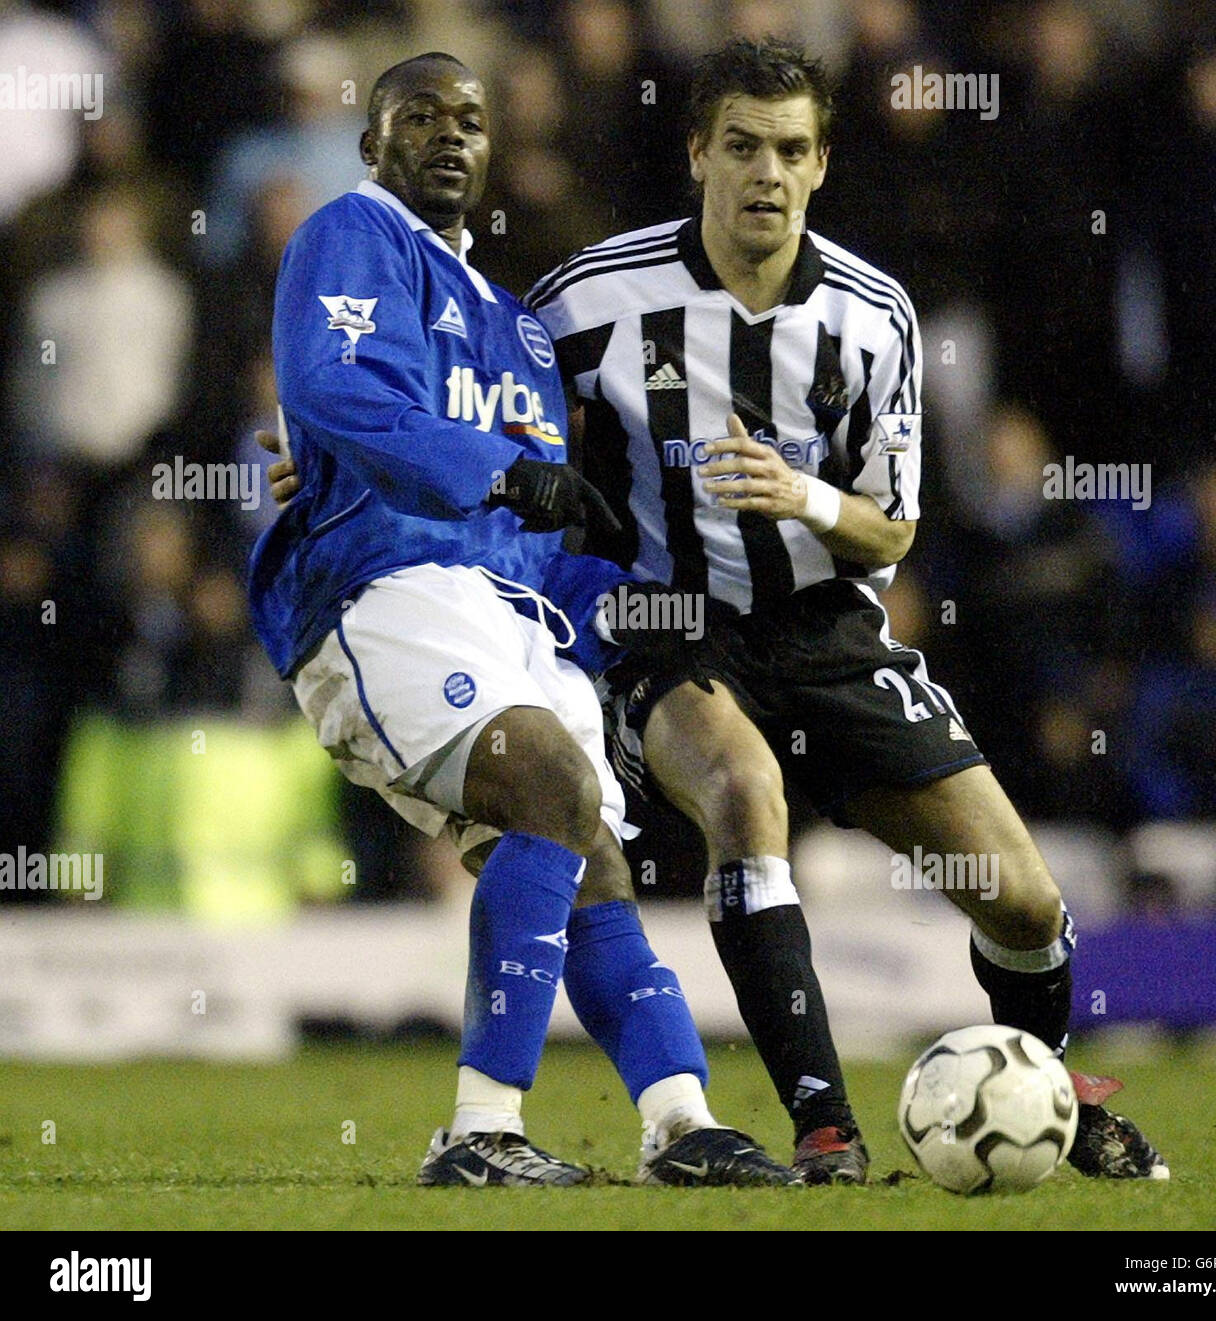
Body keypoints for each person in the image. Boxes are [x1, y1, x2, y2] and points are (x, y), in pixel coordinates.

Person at [524, 37, 1168, 1183]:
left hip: (823, 628)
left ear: (820, 165)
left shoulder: (875, 317)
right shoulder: (585, 301)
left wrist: (803, 494)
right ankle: (825, 1128)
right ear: (697, 155)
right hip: (663, 619)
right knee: (742, 790)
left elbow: (893, 528)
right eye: (739, 147)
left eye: (788, 150)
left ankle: (1046, 1089)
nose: (763, 173)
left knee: (1019, 901)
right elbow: (485, 417)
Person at [248, 50, 794, 1188]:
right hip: (381, 592)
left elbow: (539, 543)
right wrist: (494, 470)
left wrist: (646, 607)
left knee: (591, 849)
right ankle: (478, 1128)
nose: (451, 133)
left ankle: (682, 1124)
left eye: (472, 118)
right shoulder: (352, 234)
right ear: (373, 142)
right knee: (549, 781)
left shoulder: (523, 335)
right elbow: (334, 391)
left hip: (508, 619)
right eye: (420, 115)